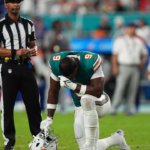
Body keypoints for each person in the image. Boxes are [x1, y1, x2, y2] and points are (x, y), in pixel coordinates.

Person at [40, 51, 130, 150]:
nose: (71, 78)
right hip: (80, 108)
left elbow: (98, 91)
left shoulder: (89, 62)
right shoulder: (55, 63)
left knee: (86, 99)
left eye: (71, 75)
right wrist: (49, 117)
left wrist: (73, 86)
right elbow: (53, 91)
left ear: (77, 66)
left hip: (100, 102)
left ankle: (90, 147)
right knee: (85, 148)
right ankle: (117, 139)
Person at [0, 0, 42, 149]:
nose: (15, 4)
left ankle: (39, 137)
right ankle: (9, 142)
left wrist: (33, 50)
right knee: (7, 106)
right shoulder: (1, 24)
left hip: (26, 66)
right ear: (6, 5)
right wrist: (15, 52)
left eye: (18, 1)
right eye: (12, 2)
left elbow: (33, 44)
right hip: (7, 66)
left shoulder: (28, 24)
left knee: (34, 103)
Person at [111, 22, 148, 115]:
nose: (132, 29)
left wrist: (142, 62)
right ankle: (115, 107)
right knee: (120, 88)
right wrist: (115, 67)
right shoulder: (120, 40)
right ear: (126, 29)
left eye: (134, 28)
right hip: (123, 66)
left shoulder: (139, 41)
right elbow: (114, 55)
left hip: (135, 67)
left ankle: (129, 108)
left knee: (133, 88)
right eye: (131, 27)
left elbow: (145, 54)